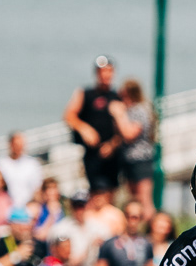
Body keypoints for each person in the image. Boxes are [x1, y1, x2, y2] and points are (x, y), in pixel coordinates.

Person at [64, 55, 121, 194]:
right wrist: (84, 129)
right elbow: (69, 115)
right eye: (102, 71)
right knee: (95, 192)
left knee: (111, 191)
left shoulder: (118, 96)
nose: (105, 75)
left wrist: (112, 145)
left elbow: (123, 128)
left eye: (109, 71)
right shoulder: (86, 93)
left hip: (112, 155)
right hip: (92, 154)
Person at [112, 79, 155, 216]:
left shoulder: (139, 110)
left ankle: (150, 225)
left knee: (144, 200)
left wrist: (118, 114)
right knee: (133, 198)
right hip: (129, 160)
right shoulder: (129, 110)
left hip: (141, 160)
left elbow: (129, 134)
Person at [0, 132, 44, 210]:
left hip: (29, 208)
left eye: (21, 145)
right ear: (10, 144)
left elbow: (37, 189)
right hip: (7, 209)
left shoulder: (32, 164)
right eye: (16, 144)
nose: (19, 147)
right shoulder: (1, 164)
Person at [32, 177, 65, 245]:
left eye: (54, 188)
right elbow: (40, 235)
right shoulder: (40, 210)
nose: (52, 192)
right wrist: (52, 216)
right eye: (49, 189)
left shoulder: (65, 206)